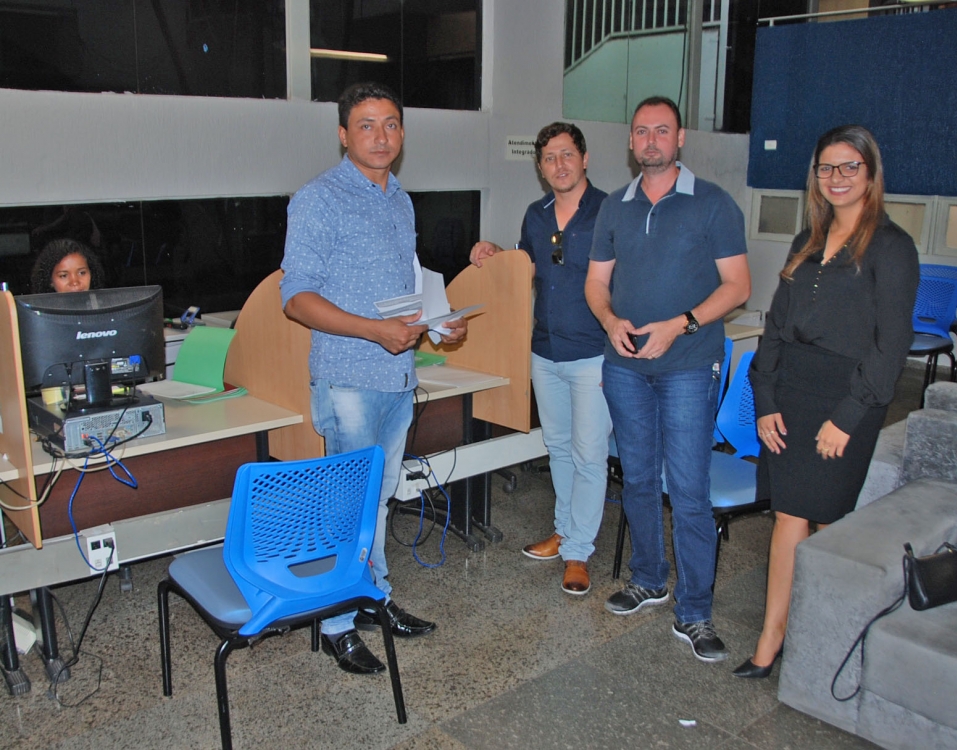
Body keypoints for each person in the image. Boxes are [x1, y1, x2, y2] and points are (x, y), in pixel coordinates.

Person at [280, 81, 468, 676]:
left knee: (379, 499)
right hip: (349, 377)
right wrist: (371, 331)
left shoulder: (400, 200)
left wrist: (437, 324)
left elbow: (404, 289)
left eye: (391, 124)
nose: (380, 136)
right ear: (343, 134)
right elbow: (296, 299)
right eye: (366, 125)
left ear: (402, 133)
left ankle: (373, 599)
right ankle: (336, 623)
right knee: (347, 506)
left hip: (397, 375)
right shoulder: (318, 199)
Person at [734, 125, 919, 679]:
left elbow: (892, 347)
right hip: (792, 390)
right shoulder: (806, 241)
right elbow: (775, 327)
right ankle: (773, 635)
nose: (836, 178)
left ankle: (825, 634)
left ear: (870, 174)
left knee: (828, 520)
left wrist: (848, 416)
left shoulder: (891, 246)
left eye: (849, 167)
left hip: (848, 398)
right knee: (788, 513)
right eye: (826, 168)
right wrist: (764, 398)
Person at [585, 96, 751, 663]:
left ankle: (695, 611)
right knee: (635, 479)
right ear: (631, 143)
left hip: (687, 364)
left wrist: (679, 325)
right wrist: (609, 322)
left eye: (662, 130)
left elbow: (737, 287)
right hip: (625, 366)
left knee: (688, 489)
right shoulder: (614, 207)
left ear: (680, 140)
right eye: (641, 131)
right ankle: (649, 579)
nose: (651, 139)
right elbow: (596, 284)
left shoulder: (713, 204)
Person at [469, 122, 612, 596]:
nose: (560, 164)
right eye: (550, 158)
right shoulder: (537, 213)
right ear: (540, 167)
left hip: (594, 353)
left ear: (584, 158)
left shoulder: (609, 210)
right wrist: (494, 253)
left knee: (590, 455)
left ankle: (578, 553)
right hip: (545, 351)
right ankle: (566, 530)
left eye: (567, 154)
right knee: (557, 446)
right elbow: (525, 265)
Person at [30, 238, 105, 294]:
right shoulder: (40, 314)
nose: (75, 282)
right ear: (50, 280)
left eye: (82, 273)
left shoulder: (103, 310)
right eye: (64, 276)